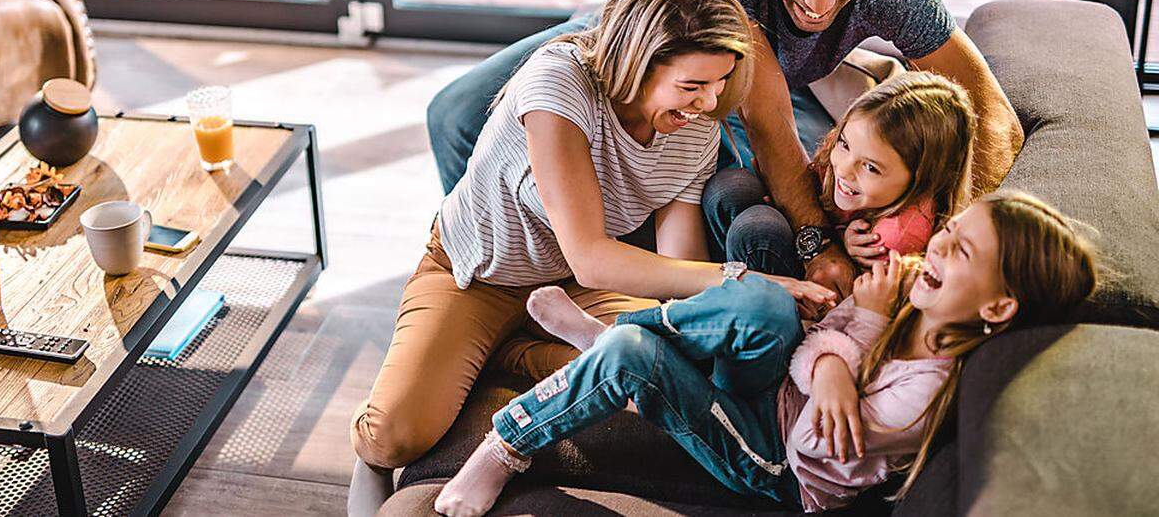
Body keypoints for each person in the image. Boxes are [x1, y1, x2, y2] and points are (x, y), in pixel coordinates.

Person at [425, 0, 1023, 298]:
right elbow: (765, 120)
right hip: (637, 43)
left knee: (833, 175)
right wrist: (817, 248)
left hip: (758, 85)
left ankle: (594, 277)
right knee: (453, 115)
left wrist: (946, 229)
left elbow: (993, 112)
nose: (819, 5)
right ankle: (501, 285)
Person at [350, 0, 836, 470]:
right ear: (638, 62)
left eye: (721, 82)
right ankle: (505, 346)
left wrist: (732, 310)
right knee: (393, 439)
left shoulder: (693, 122)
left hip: (578, 289)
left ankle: (519, 348)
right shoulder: (559, 85)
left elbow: (679, 264)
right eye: (693, 85)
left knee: (677, 373)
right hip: (482, 275)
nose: (711, 101)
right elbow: (590, 256)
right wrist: (745, 280)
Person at [433, 192, 1098, 515]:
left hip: (772, 458)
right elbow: (814, 352)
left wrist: (854, 332)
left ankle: (508, 441)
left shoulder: (924, 393)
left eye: (963, 254)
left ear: (998, 307)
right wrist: (836, 346)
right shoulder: (906, 301)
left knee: (633, 353)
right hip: (776, 394)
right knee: (764, 304)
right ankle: (616, 343)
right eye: (949, 232)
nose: (940, 249)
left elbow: (813, 444)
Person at [712, 71, 977, 277]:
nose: (845, 169)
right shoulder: (850, 174)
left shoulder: (896, 237)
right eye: (845, 144)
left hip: (819, 304)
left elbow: (856, 304)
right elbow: (817, 183)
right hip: (816, 244)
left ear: (924, 179)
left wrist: (846, 252)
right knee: (731, 186)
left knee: (757, 229)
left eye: (871, 167)